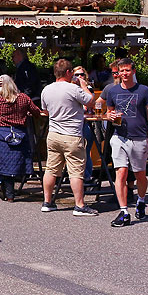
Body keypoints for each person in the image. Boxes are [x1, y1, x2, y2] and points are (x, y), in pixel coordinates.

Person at [103, 58, 148, 226]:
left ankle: (141, 200)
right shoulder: (112, 92)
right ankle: (123, 212)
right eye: (121, 71)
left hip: (139, 138)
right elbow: (108, 113)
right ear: (118, 73)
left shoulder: (143, 91)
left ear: (133, 71)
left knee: (139, 175)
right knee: (120, 173)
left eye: (127, 70)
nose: (124, 74)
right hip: (119, 137)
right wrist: (110, 116)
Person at [40, 59, 99, 216]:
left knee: (51, 169)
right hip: (72, 134)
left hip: (53, 134)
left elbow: (45, 111)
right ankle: (79, 205)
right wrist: (84, 85)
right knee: (76, 172)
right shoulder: (73, 89)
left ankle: (47, 202)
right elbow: (91, 102)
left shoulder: (46, 89)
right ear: (68, 73)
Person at [0, 75, 43, 202]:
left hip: (1, 135)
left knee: (1, 165)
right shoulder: (24, 98)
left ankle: (6, 191)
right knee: (12, 165)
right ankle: (9, 193)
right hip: (19, 134)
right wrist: (27, 112)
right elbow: (37, 112)